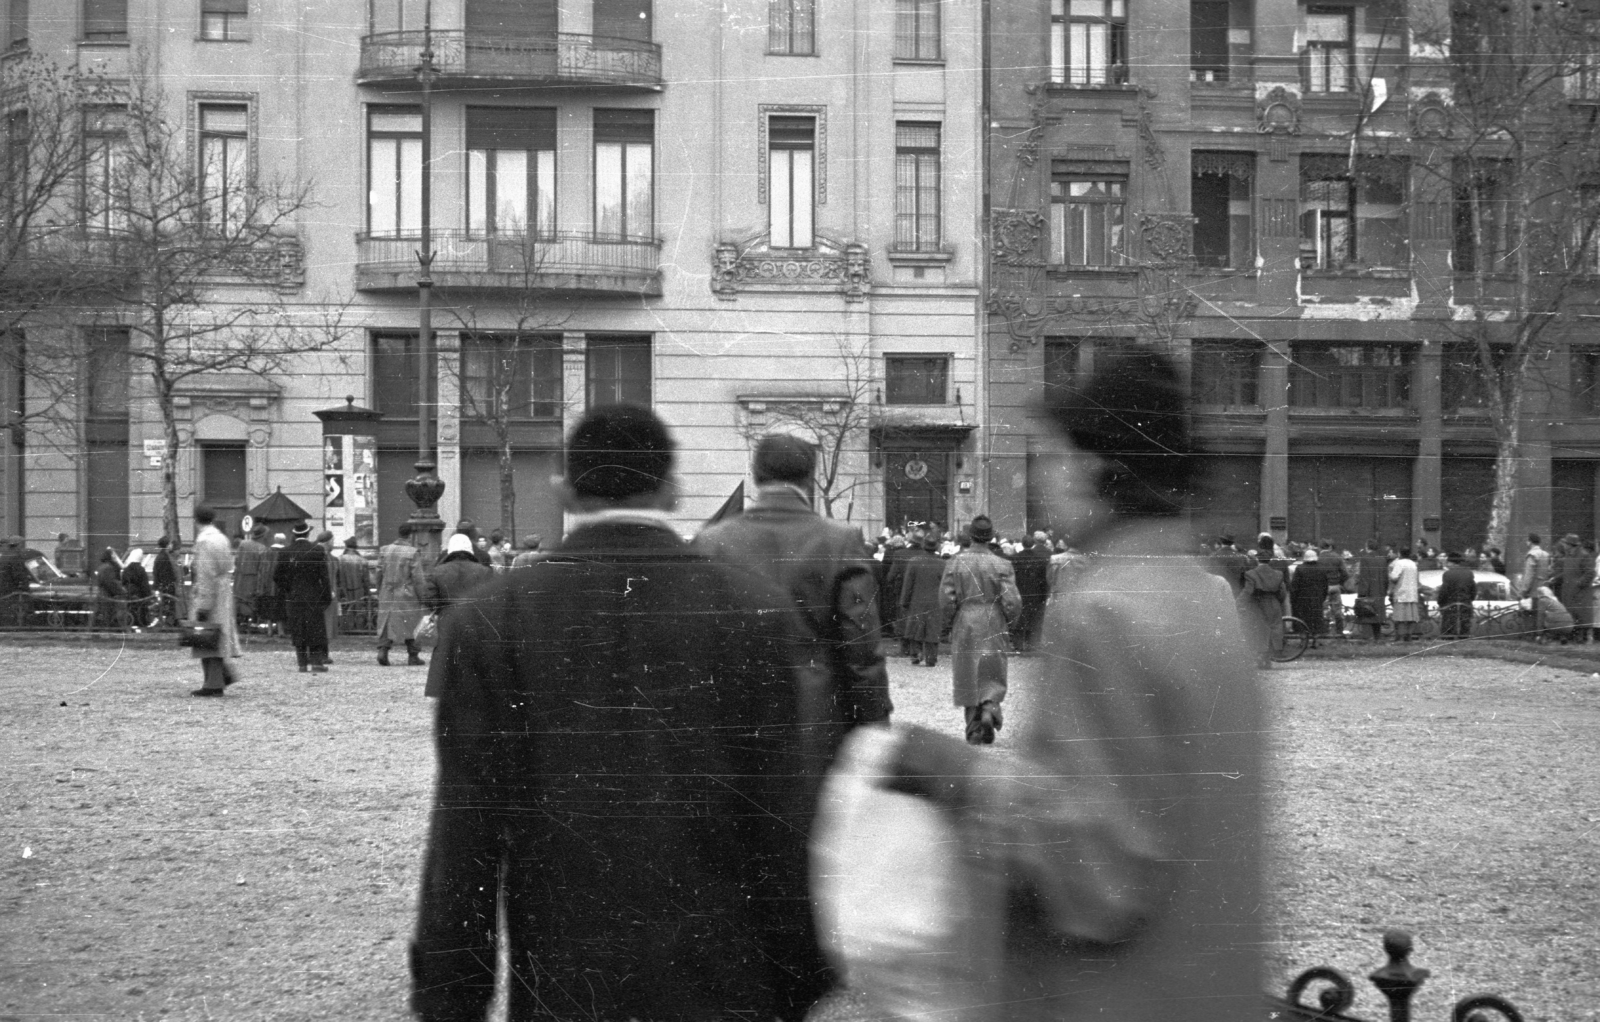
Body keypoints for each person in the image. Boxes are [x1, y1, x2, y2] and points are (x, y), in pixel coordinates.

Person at [869, 347, 1264, 1020]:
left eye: (1050, 459)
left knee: (974, 685)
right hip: (1206, 985)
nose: (1044, 480)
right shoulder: (1208, 597)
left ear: (1093, 468)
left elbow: (1093, 875)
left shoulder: (1103, 608)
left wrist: (954, 775)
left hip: (1107, 997)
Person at [411, 404, 830, 1022]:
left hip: (565, 973)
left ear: (564, 486)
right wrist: (798, 970)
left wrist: (451, 994)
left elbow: (466, 830)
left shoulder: (492, 619)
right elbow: (781, 813)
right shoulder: (753, 611)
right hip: (720, 974)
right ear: (671, 486)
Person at [695, 433, 893, 737]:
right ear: (810, 478)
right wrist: (875, 723)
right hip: (815, 720)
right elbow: (861, 647)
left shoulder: (711, 542)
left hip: (731, 723)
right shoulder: (841, 540)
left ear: (755, 474)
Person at [939, 515, 1021, 745]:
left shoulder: (955, 563)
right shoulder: (1002, 565)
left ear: (970, 536)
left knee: (967, 671)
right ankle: (989, 706)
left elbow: (946, 599)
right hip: (993, 617)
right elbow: (1012, 601)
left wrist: (949, 623)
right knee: (993, 668)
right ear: (991, 537)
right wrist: (1009, 621)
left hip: (965, 618)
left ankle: (973, 728)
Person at [188, 506, 241, 696]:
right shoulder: (221, 537)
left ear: (196, 520)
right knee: (218, 636)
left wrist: (203, 604)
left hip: (211, 591)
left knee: (205, 636)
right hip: (223, 590)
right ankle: (218, 677)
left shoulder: (203, 541)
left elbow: (205, 574)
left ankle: (213, 681)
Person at [274, 523, 332, 673]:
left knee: (298, 628)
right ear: (307, 534)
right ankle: (316, 662)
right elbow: (324, 577)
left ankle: (302, 663)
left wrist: (289, 588)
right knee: (315, 628)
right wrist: (326, 596)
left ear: (294, 534)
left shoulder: (285, 552)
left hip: (294, 596)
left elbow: (277, 576)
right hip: (313, 595)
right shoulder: (317, 551)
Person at [374, 521, 427, 666]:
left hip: (387, 591)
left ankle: (383, 651)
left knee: (386, 622)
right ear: (411, 536)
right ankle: (413, 655)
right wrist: (423, 596)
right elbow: (418, 578)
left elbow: (378, 573)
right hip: (406, 592)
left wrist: (381, 590)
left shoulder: (384, 550)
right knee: (411, 622)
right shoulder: (412, 552)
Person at [898, 531, 947, 666]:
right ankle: (931, 657)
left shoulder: (914, 562)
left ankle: (915, 654)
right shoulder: (943, 564)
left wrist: (904, 601)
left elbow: (908, 584)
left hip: (917, 599)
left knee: (916, 627)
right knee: (933, 629)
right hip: (935, 601)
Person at [1238, 550, 1290, 665]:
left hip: (1258, 603)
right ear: (1270, 560)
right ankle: (1275, 652)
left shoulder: (1251, 574)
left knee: (1260, 629)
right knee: (1275, 627)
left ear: (1257, 560)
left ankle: (1262, 657)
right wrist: (1277, 601)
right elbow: (1282, 592)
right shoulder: (1278, 574)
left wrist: (1239, 603)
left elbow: (1248, 591)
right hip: (1273, 602)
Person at [1010, 531, 1052, 651]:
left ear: (1022, 544)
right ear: (1033, 543)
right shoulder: (1040, 559)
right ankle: (1031, 644)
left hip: (1019, 592)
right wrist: (1044, 595)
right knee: (1033, 619)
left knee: (1019, 618)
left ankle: (1018, 644)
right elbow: (1044, 579)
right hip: (1035, 593)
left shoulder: (1014, 558)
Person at [1553, 534, 1594, 644]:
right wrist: (1555, 579)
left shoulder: (1584, 556)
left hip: (1580, 593)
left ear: (1571, 545)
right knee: (1572, 614)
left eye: (1565, 544)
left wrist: (1579, 583)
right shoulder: (1569, 556)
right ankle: (1575, 637)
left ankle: (1584, 637)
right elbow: (1566, 573)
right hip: (1569, 592)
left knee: (1581, 615)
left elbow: (1590, 572)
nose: (1564, 546)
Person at [1289, 548, 1330, 647]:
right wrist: (1322, 597)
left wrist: (1293, 598)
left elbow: (1295, 585)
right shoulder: (1322, 569)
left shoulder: (1299, 569)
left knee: (1302, 620)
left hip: (1302, 599)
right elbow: (1325, 586)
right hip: (1317, 599)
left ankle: (1303, 640)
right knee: (1316, 619)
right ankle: (1315, 640)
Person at [1354, 540, 1389, 642]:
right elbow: (1385, 577)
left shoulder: (1365, 559)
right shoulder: (1382, 559)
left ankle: (1368, 637)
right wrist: (1384, 590)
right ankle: (1377, 637)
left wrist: (1362, 592)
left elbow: (1364, 577)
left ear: (1367, 547)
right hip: (1380, 591)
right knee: (1377, 615)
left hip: (1369, 591)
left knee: (1367, 614)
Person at [1437, 551, 1477, 640]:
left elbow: (1444, 591)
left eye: (1448, 562)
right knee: (1465, 629)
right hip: (1465, 604)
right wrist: (1469, 599)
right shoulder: (1469, 573)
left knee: (1448, 631)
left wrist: (1440, 602)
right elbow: (1473, 590)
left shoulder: (1447, 574)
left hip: (1450, 606)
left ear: (1451, 562)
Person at [233, 526, 267, 628]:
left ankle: (237, 622)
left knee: (238, 600)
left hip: (239, 578)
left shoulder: (243, 544)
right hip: (252, 579)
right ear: (263, 535)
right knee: (250, 602)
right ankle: (248, 623)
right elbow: (262, 568)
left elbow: (236, 560)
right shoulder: (262, 548)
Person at [1389, 546, 1421, 642]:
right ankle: (1409, 636)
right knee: (1411, 617)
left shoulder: (1399, 563)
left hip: (1402, 593)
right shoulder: (1413, 564)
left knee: (1401, 617)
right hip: (1412, 594)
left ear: (1399, 553)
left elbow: (1394, 577)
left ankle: (1400, 636)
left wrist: (1390, 572)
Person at [0, 535, 32, 627]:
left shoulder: (6, 554)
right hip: (9, 588)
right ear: (19, 545)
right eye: (23, 544)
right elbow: (19, 575)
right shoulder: (15, 556)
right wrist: (27, 587)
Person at [120, 547, 153, 629]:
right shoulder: (141, 570)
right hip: (139, 596)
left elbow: (123, 582)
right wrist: (149, 596)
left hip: (129, 596)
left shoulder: (126, 570)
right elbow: (144, 585)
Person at [93, 548, 125, 629]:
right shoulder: (108, 568)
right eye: (113, 555)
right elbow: (110, 583)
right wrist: (121, 591)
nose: (115, 557)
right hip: (106, 596)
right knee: (107, 616)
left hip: (102, 594)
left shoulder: (102, 566)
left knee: (102, 615)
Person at [152, 537, 181, 626]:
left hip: (164, 587)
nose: (171, 545)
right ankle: (168, 625)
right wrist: (170, 586)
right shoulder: (164, 557)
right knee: (167, 608)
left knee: (166, 608)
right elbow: (165, 575)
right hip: (166, 588)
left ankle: (168, 623)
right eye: (170, 543)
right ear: (167, 545)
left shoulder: (162, 556)